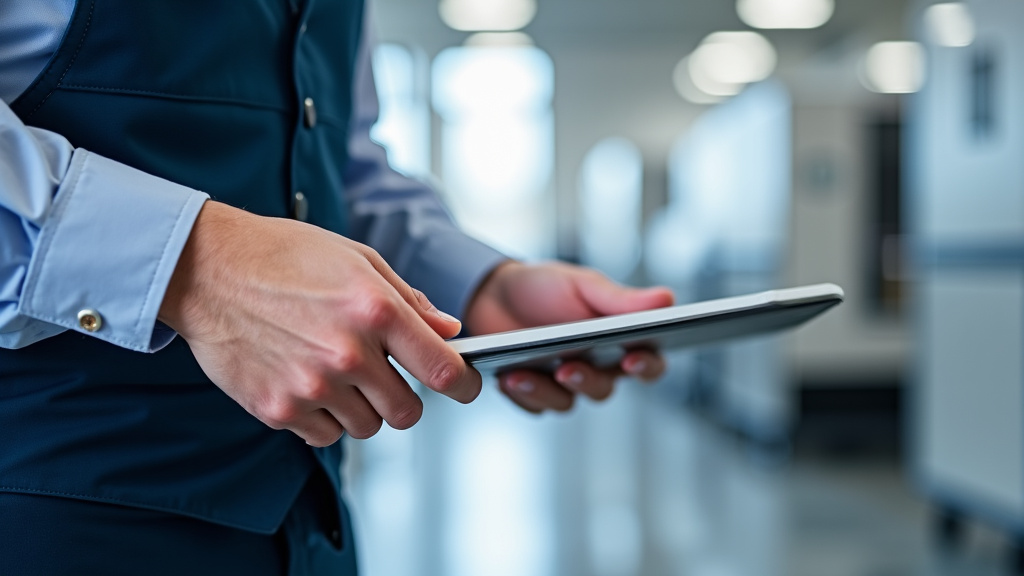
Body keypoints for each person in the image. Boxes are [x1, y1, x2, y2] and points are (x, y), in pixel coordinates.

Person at [0, 1, 674, 575]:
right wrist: (192, 264)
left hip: (303, 521)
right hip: (48, 512)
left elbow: (333, 159)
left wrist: (477, 289)